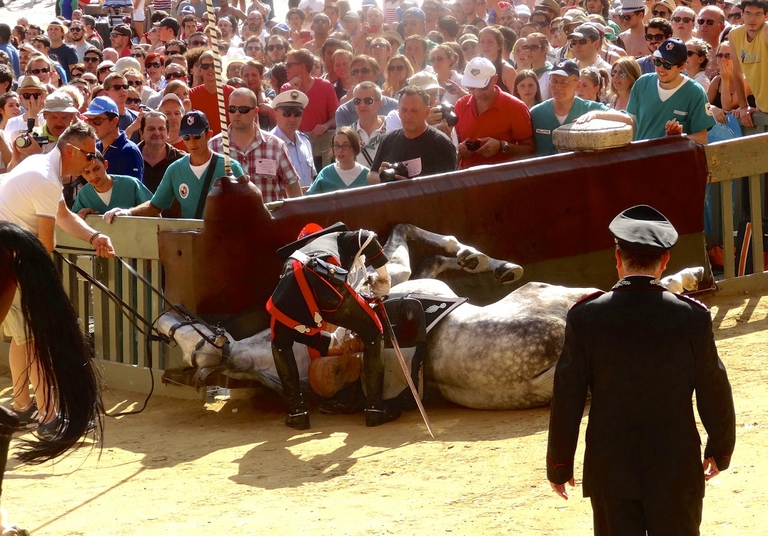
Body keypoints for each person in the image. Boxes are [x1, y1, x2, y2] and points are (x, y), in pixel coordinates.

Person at [546, 204, 736, 536]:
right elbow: (713, 386)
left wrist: (559, 464)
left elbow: (568, 396)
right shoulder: (692, 316)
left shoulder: (585, 316)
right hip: (675, 465)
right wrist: (720, 449)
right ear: (665, 261)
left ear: (617, 258)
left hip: (610, 468)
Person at [0, 122, 115, 431]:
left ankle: (23, 405)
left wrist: (94, 237)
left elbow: (63, 215)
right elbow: (45, 246)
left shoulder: (42, 166)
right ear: (70, 151)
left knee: (23, 338)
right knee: (35, 339)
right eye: (89, 155)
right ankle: (49, 417)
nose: (92, 161)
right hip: (12, 262)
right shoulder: (46, 179)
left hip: (10, 258)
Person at [266, 223, 400, 429]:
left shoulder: (294, 256)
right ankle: (375, 409)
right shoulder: (337, 237)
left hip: (289, 285)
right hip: (325, 280)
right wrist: (384, 278)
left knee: (280, 343)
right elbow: (367, 237)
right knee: (373, 331)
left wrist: (332, 342)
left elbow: (288, 334)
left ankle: (297, 413)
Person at [104, 111, 245, 222]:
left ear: (208, 135)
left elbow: (247, 208)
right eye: (186, 137)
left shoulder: (229, 167)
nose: (192, 142)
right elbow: (155, 206)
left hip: (224, 240)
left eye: (197, 136)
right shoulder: (176, 169)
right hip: (193, 241)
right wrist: (128, 212)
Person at [579, 38, 715, 144]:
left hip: (673, 165)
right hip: (641, 159)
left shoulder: (695, 92)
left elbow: (702, 138)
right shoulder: (642, 83)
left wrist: (679, 139)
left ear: (682, 67)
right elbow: (631, 120)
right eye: (657, 62)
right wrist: (597, 114)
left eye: (667, 65)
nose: (660, 68)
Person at [209, 88, 302, 204]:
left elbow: (292, 186)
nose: (237, 113)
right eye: (232, 109)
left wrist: (298, 212)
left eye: (243, 109)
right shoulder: (213, 147)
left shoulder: (276, 146)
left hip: (268, 215)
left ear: (256, 111)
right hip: (228, 215)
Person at [455, 57, 535, 169]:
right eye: (471, 87)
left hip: (504, 177)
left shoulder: (516, 107)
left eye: (482, 87)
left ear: (495, 79)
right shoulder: (460, 105)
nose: (477, 92)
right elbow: (455, 144)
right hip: (467, 176)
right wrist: (460, 150)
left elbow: (530, 150)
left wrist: (502, 146)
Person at [368, 85, 458, 184]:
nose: (408, 116)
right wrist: (383, 177)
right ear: (398, 111)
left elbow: (450, 186)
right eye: (404, 110)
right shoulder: (388, 140)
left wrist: (410, 187)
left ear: (427, 112)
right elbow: (371, 174)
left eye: (414, 111)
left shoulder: (441, 144)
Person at [530, 59, 609, 156]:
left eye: (564, 82)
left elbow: (625, 118)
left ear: (578, 85)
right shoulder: (536, 113)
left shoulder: (589, 108)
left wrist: (596, 114)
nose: (558, 87)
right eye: (554, 81)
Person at [72, 151, 153, 218]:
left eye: (97, 169)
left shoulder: (131, 185)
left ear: (105, 165)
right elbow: (73, 221)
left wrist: (129, 212)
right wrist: (85, 215)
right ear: (81, 174)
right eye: (87, 172)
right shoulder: (84, 194)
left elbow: (154, 211)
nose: (93, 176)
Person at [82, 96, 144, 182]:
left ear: (114, 121)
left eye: (97, 120)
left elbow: (132, 188)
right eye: (88, 120)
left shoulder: (129, 150)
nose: (91, 125)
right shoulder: (95, 147)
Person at [730, 0, 768, 127]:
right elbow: (736, 72)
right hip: (762, 109)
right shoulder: (734, 34)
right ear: (742, 14)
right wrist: (743, 106)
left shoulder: (766, 31)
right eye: (748, 13)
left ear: (766, 16)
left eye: (758, 14)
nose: (752, 19)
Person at [271, 89, 317, 191]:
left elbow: (311, 177)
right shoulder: (268, 145)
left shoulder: (305, 141)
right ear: (275, 113)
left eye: (297, 113)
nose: (292, 118)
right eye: (287, 113)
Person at [307, 127, 369, 195]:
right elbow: (310, 198)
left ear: (355, 147)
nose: (340, 150)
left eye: (345, 145)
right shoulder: (325, 174)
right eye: (336, 145)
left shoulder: (367, 175)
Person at [138, 108, 186, 194]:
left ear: (168, 133)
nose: (157, 133)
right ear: (141, 133)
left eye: (161, 129)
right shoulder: (130, 156)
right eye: (151, 129)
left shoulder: (181, 160)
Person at [189, 51, 235, 136]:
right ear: (200, 70)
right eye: (205, 66)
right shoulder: (191, 94)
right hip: (200, 141)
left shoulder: (233, 93)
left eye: (214, 66)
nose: (210, 69)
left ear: (220, 69)